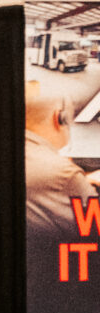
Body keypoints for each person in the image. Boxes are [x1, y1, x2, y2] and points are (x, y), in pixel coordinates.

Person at [28, 84, 97, 234]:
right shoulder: (65, 175)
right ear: (59, 118)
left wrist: (82, 181)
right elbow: (95, 226)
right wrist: (77, 180)